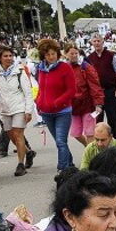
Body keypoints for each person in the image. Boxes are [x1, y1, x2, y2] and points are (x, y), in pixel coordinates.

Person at [0, 46, 35, 176]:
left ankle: (20, 165)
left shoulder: (19, 71)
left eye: (10, 56)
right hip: (4, 109)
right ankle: (28, 152)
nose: (8, 58)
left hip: (19, 107)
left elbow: (28, 92)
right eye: (5, 56)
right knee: (11, 134)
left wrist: (28, 110)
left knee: (18, 134)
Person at [35, 38, 78, 173]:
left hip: (62, 111)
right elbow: (41, 88)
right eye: (47, 54)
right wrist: (38, 101)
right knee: (60, 143)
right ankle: (70, 165)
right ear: (43, 55)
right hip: (46, 112)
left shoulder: (65, 67)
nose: (51, 57)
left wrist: (57, 102)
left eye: (53, 53)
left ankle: (62, 169)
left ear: (57, 53)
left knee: (61, 141)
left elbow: (72, 90)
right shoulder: (40, 69)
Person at [65, 43, 104, 149]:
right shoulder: (64, 68)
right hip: (73, 107)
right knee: (76, 133)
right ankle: (90, 148)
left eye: (76, 53)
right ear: (65, 54)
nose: (74, 55)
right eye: (71, 53)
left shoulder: (85, 67)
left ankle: (91, 157)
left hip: (88, 105)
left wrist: (98, 103)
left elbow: (95, 85)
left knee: (90, 132)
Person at [87, 34, 116, 138]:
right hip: (96, 93)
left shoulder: (111, 56)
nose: (97, 43)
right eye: (94, 41)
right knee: (97, 117)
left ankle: (115, 137)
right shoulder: (89, 58)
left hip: (111, 91)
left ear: (103, 42)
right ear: (92, 43)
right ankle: (99, 138)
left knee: (113, 117)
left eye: (99, 41)